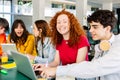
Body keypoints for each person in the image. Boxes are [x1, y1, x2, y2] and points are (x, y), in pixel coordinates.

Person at [37, 10, 120, 80]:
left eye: (95, 27)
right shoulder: (100, 46)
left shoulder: (118, 45)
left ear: (108, 28)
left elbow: (95, 68)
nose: (90, 30)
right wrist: (51, 71)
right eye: (90, 26)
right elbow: (94, 76)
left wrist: (57, 71)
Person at [34, 9, 90, 79]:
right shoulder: (59, 40)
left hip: (80, 77)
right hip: (65, 76)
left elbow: (78, 66)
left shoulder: (82, 39)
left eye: (65, 22)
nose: (61, 25)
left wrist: (56, 71)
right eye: (58, 22)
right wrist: (45, 65)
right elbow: (56, 62)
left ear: (71, 24)